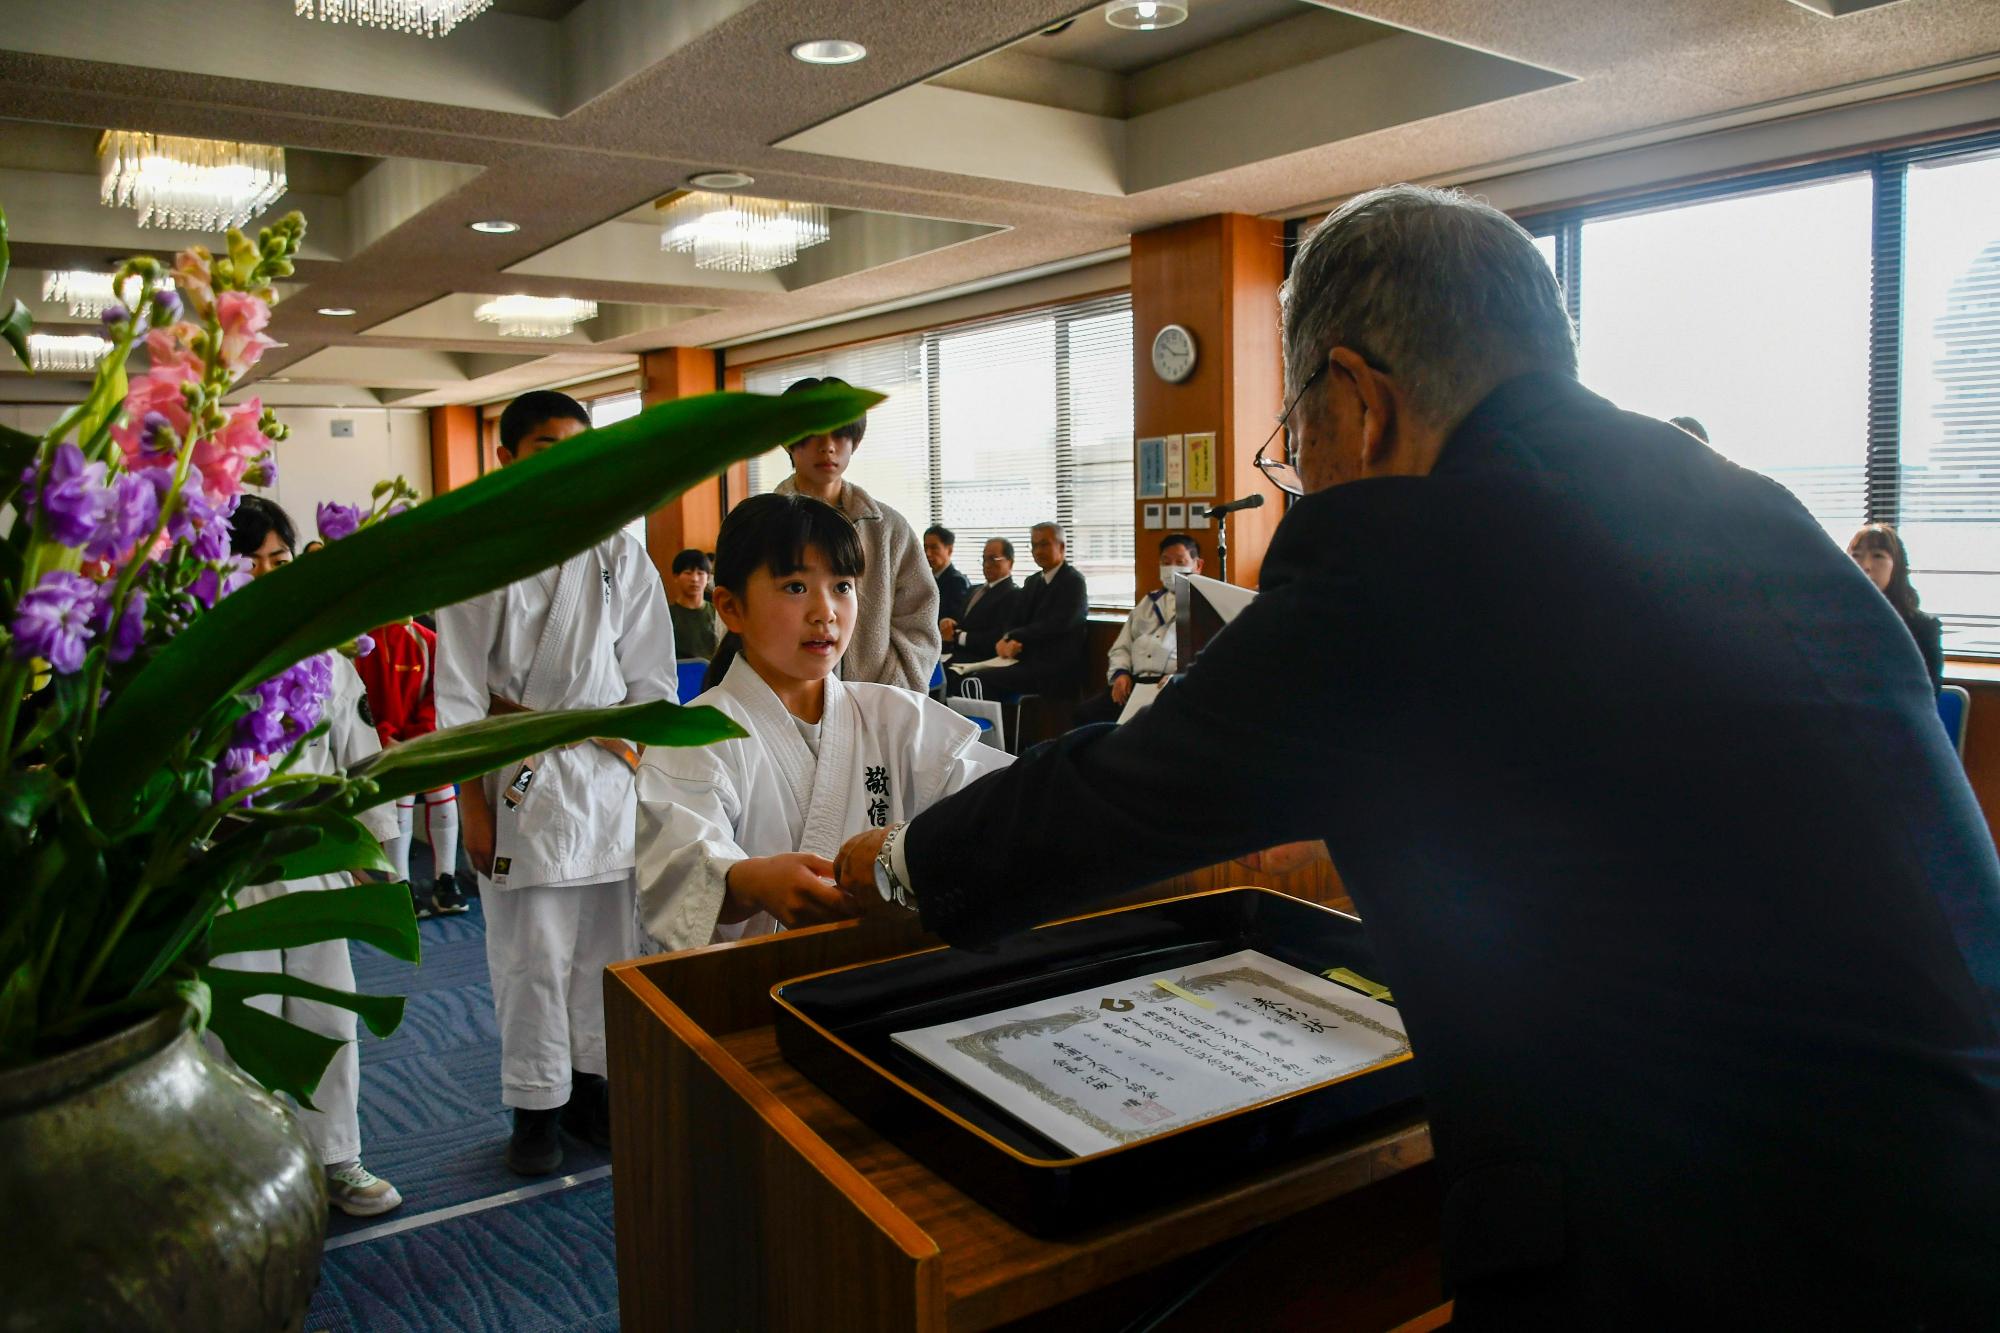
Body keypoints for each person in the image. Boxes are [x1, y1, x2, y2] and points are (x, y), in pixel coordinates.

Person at [837, 185, 2000, 1326]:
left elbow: (1131, 790)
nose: (1302, 470)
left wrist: (896, 865)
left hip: (1710, 1247)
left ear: (1354, 396)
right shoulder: (1746, 505)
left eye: (1296, 434)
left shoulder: (1409, 551)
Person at [434, 389, 679, 1177]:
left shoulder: (620, 549)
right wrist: (470, 803)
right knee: (530, 954)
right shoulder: (479, 551)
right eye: (546, 446)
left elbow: (652, 679)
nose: (567, 460)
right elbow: (461, 696)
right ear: (507, 458)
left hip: (609, 776)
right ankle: (533, 1107)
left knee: (607, 950)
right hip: (521, 779)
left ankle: (591, 1089)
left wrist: (644, 764)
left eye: (579, 445)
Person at [633, 493, 1010, 951]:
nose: (825, 612)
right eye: (795, 586)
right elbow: (679, 872)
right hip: (752, 992)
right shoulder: (694, 737)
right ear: (731, 608)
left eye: (842, 586)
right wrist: (749, 880)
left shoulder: (898, 716)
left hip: (893, 971)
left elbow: (1002, 800)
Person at [211, 495, 403, 1217]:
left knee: (327, 1014)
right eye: (247, 560)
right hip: (227, 868)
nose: (265, 573)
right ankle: (249, 1171)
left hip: (314, 855)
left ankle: (335, 1158)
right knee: (245, 1020)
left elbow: (359, 756)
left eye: (277, 559)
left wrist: (377, 853)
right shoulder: (196, 656)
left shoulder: (327, 654)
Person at [774, 377, 939, 691]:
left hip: (877, 710)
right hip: (784, 709)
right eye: (813, 434)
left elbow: (919, 621)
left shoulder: (889, 528)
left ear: (856, 442)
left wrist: (889, 695)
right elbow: (738, 627)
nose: (828, 446)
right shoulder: (761, 526)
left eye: (840, 433)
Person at [351, 615, 467, 918]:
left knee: (444, 795)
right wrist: (385, 738)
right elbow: (361, 700)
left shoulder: (429, 640)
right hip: (382, 747)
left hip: (423, 743)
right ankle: (399, 882)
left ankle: (447, 878)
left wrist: (419, 739)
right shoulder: (366, 644)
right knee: (399, 797)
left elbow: (439, 695)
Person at [1075, 533, 1202, 726]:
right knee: (1085, 714)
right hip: (1134, 683)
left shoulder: (1203, 606)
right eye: (1166, 562)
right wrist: (1120, 673)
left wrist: (1180, 677)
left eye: (1180, 561)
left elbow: (1205, 656)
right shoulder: (1148, 603)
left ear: (1197, 565)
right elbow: (1122, 647)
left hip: (1170, 684)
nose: (1172, 568)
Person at [950, 521, 1087, 699]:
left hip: (1054, 665)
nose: (1038, 551)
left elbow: (1056, 625)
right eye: (1034, 545)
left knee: (980, 680)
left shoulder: (1073, 581)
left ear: (1061, 547)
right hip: (1023, 658)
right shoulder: (1033, 581)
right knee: (966, 676)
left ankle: (995, 727)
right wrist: (1007, 638)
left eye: (1044, 544)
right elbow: (1014, 619)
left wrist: (1014, 637)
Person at [1847, 522, 1944, 692]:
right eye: (1856, 555)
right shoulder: (1833, 621)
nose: (1865, 566)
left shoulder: (1922, 627)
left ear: (1897, 566)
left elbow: (1927, 697)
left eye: (1878, 555)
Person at [940, 536, 1021, 662]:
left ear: (1010, 562)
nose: (987, 564)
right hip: (952, 655)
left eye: (993, 559)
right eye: (984, 559)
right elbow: (960, 621)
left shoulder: (1014, 594)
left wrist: (959, 636)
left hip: (980, 661)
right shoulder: (974, 589)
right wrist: (948, 622)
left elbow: (999, 637)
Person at [666, 548, 724, 661]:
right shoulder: (666, 616)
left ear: (708, 577)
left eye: (700, 573)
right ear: (676, 577)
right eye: (688, 573)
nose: (695, 579)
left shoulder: (718, 614)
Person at [924, 524, 969, 625]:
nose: (928, 553)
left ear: (949, 550)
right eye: (925, 547)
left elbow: (954, 620)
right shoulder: (926, 578)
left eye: (934, 548)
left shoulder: (957, 581)